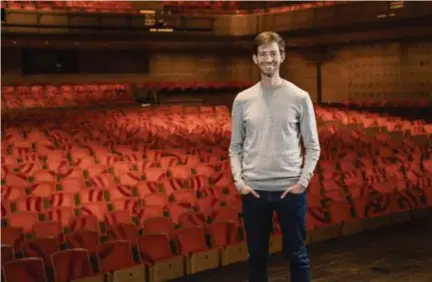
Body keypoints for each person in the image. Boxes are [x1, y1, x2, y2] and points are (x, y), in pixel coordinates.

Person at [229, 31, 321, 282]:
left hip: (289, 191)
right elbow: (235, 146)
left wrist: (302, 181)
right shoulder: (242, 100)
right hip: (255, 192)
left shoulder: (299, 97)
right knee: (256, 258)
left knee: (297, 256)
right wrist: (240, 182)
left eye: (273, 53)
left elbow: (313, 145)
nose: (268, 59)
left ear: (282, 56)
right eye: (263, 54)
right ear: (254, 59)